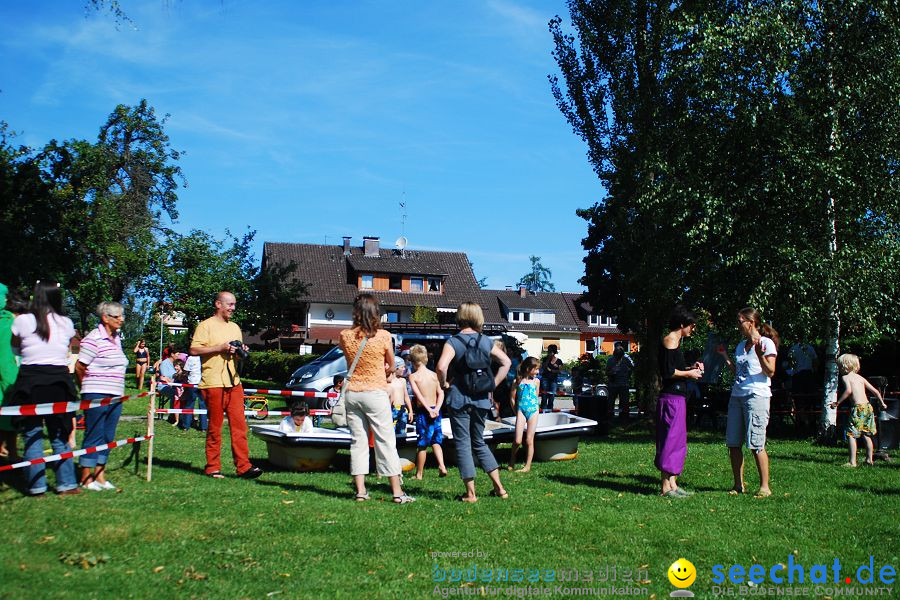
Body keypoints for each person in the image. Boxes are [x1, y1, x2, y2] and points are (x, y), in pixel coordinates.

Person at [338, 293, 413, 503]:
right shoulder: (383, 336)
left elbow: (349, 359)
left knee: (358, 442)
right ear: (375, 312)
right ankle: (397, 493)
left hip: (353, 393)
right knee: (385, 441)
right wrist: (383, 369)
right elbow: (391, 363)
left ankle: (361, 491)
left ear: (355, 312)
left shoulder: (344, 335)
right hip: (375, 392)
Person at [8, 281, 80, 496]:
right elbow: (66, 349)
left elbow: (15, 347)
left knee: (32, 434)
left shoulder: (22, 321)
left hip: (30, 381)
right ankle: (66, 484)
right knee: (60, 432)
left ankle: (36, 486)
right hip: (58, 381)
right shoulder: (66, 323)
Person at [436, 302, 510, 502]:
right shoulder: (485, 341)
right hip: (481, 400)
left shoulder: (453, 341)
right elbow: (506, 362)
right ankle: (500, 488)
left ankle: (471, 494)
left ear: (460, 317)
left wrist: (444, 385)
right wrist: (493, 384)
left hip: (458, 399)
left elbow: (442, 366)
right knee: (479, 442)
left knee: (462, 444)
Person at [189, 291, 261, 480]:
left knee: (240, 426)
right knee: (215, 427)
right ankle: (213, 467)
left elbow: (236, 353)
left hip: (234, 382)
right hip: (212, 382)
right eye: (229, 304)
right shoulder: (205, 326)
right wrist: (219, 348)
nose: (233, 308)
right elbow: (194, 349)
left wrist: (240, 351)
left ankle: (244, 467)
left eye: (234, 304)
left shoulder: (235, 327)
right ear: (218, 304)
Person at [718, 307, 779, 498]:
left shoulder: (765, 343)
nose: (738, 325)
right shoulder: (740, 346)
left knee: (756, 443)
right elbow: (739, 372)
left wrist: (760, 354)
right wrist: (725, 356)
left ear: (750, 322)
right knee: (733, 442)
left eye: (740, 321)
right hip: (737, 396)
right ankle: (738, 485)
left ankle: (765, 487)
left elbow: (770, 372)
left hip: (757, 397)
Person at [76, 301, 128, 491]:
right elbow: (80, 367)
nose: (121, 320)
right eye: (117, 316)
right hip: (96, 393)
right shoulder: (93, 338)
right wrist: (87, 389)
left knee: (108, 435)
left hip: (116, 394)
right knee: (94, 434)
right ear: (105, 318)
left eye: (122, 316)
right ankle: (85, 477)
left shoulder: (117, 338)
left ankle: (100, 476)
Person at [656, 305, 703, 498]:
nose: (693, 329)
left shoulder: (677, 341)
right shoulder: (670, 340)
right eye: (691, 326)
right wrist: (689, 373)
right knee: (670, 440)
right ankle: (665, 487)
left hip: (678, 396)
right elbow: (668, 372)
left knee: (677, 441)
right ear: (682, 324)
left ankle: (673, 484)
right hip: (671, 398)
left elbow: (675, 367)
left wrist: (691, 367)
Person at [831, 354, 887, 467]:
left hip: (858, 408)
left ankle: (852, 462)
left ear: (844, 366)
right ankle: (869, 460)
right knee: (866, 434)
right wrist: (882, 403)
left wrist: (838, 402)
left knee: (852, 435)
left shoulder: (845, 378)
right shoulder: (860, 378)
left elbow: (848, 391)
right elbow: (876, 391)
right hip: (867, 407)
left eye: (839, 367)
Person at [408, 344, 447, 479]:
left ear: (412, 361)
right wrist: (436, 408)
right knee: (436, 441)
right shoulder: (434, 375)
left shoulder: (414, 376)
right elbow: (441, 393)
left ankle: (419, 474)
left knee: (422, 444)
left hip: (424, 412)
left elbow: (418, 395)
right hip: (436, 411)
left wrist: (428, 410)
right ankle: (442, 465)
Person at [507, 357, 541, 472]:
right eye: (536, 369)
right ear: (528, 368)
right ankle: (512, 460)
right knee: (517, 440)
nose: (537, 372)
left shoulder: (536, 381)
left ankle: (527, 466)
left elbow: (536, 396)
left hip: (533, 411)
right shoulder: (517, 381)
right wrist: (515, 411)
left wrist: (536, 409)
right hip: (521, 410)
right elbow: (512, 398)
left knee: (529, 440)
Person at [178, 353, 207, 431]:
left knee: (190, 403)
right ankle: (203, 427)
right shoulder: (204, 357)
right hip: (202, 383)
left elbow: (186, 371)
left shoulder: (190, 358)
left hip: (192, 383)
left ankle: (186, 425)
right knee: (202, 404)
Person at [606, 345, 634, 419]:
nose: (618, 358)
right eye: (616, 356)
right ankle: (610, 417)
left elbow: (633, 367)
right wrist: (611, 373)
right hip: (613, 384)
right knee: (610, 401)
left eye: (619, 356)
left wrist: (628, 375)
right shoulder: (610, 360)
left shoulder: (626, 359)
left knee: (624, 402)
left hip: (624, 383)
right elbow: (606, 372)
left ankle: (623, 417)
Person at [388, 357, 413, 434]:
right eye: (402, 367)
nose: (404, 369)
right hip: (392, 409)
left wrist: (410, 411)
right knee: (391, 432)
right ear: (396, 368)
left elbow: (406, 397)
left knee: (402, 431)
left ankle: (401, 444)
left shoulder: (403, 381)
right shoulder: (389, 382)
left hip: (402, 409)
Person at [540, 345, 562, 412]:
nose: (550, 353)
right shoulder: (545, 359)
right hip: (545, 378)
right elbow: (543, 367)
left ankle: (550, 409)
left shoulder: (559, 361)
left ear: (554, 352)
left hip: (553, 379)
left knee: (552, 395)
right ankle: (543, 409)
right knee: (544, 395)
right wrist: (548, 360)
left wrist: (551, 370)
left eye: (551, 351)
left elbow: (560, 370)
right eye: (549, 351)